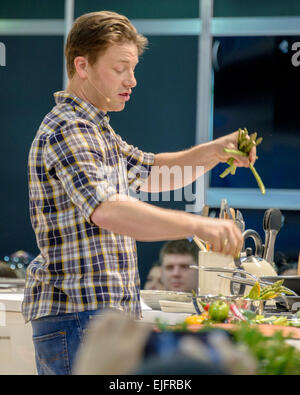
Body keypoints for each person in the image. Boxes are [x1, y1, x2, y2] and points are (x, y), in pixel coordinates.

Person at [22, 10, 256, 375]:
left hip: (97, 316)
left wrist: (217, 150)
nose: (132, 80)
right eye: (121, 68)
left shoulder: (96, 129)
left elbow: (155, 172)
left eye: (133, 68)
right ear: (82, 66)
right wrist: (198, 226)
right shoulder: (67, 129)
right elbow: (109, 210)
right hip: (78, 316)